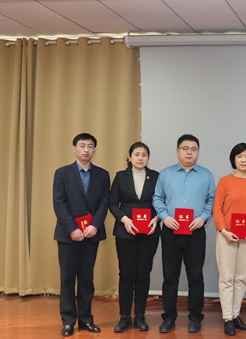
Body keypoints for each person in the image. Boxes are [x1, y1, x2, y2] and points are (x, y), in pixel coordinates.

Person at [152, 134, 216, 334]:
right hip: (170, 231)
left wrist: (203, 218)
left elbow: (212, 200)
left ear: (198, 152)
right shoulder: (166, 174)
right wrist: (164, 217)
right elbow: (157, 198)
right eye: (185, 148)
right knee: (170, 276)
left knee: (195, 276)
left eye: (193, 149)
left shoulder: (206, 175)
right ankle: (168, 318)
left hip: (196, 231)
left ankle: (195, 318)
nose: (189, 152)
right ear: (177, 150)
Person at [53, 133, 111, 337]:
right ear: (74, 148)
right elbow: (59, 203)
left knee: (86, 279)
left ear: (95, 149)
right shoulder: (62, 173)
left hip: (91, 234)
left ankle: (86, 319)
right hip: (67, 235)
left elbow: (105, 202)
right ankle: (68, 321)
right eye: (82, 145)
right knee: (67, 279)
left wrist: (95, 225)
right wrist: (72, 229)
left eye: (90, 146)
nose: (86, 149)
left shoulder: (103, 174)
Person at [109, 142, 161, 333]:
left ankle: (140, 316)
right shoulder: (120, 176)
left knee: (143, 274)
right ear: (129, 157)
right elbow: (112, 203)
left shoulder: (155, 176)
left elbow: (162, 201)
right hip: (126, 232)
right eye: (137, 154)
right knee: (126, 274)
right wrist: (125, 220)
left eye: (144, 155)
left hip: (149, 232)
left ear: (148, 158)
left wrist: (156, 218)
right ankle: (124, 316)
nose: (140, 158)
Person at [213, 143, 246, 336]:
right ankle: (227, 318)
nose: (243, 160)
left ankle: (235, 315)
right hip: (227, 236)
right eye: (240, 156)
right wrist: (223, 230)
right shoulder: (225, 181)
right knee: (227, 277)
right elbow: (217, 209)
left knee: (241, 278)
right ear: (233, 159)